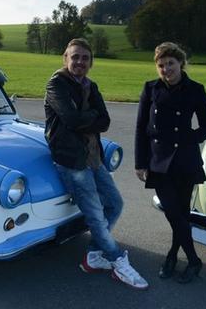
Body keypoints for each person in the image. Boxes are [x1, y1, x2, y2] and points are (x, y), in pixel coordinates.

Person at [45, 38, 149, 290]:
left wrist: (86, 117)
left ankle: (93, 255)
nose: (80, 62)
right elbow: (71, 120)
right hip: (72, 160)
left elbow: (105, 122)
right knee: (95, 215)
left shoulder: (91, 86)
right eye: (75, 57)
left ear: (91, 62)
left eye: (85, 58)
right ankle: (117, 260)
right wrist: (90, 116)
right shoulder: (56, 84)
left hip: (93, 157)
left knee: (115, 203)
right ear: (65, 58)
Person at [134, 42, 206, 284]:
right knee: (173, 213)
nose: (166, 69)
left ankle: (171, 255)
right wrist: (140, 162)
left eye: (170, 63)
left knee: (181, 214)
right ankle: (193, 260)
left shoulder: (196, 90)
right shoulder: (150, 89)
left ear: (181, 63)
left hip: (185, 161)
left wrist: (186, 139)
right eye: (161, 65)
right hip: (158, 162)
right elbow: (141, 128)